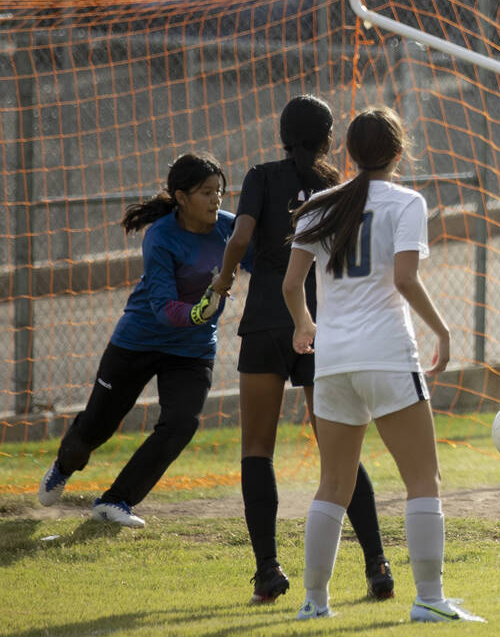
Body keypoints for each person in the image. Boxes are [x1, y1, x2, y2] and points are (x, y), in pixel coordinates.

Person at [283, 107, 484, 622]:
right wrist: (441, 330)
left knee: (333, 485)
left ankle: (314, 603)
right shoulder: (407, 202)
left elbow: (290, 286)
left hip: (332, 363)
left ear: (349, 153)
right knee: (423, 481)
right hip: (388, 357)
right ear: (399, 152)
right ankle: (430, 599)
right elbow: (405, 279)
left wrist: (304, 324)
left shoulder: (319, 205)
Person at [209, 95, 395, 604]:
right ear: (330, 139)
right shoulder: (339, 187)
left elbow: (241, 235)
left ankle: (267, 570)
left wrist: (223, 282)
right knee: (339, 450)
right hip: (321, 326)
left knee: (256, 449)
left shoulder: (260, 176)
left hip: (267, 322)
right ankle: (376, 562)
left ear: (281, 135)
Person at [36, 153, 232, 528]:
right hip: (139, 341)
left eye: (219, 191)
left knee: (181, 424)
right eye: (206, 192)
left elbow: (267, 257)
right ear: (181, 196)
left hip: (192, 351)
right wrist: (196, 313)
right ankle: (64, 466)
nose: (216, 199)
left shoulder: (230, 230)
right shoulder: (160, 236)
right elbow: (162, 307)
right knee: (97, 426)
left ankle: (116, 501)